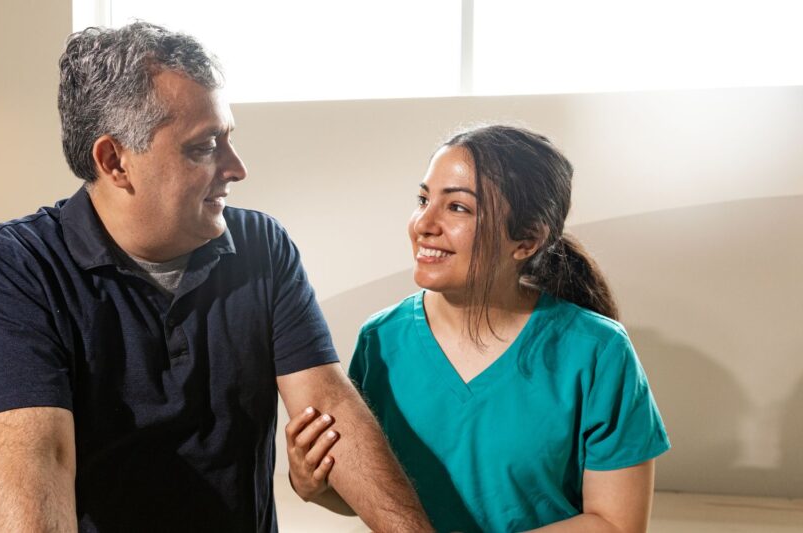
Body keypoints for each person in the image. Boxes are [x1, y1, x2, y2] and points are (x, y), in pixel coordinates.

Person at [0, 22, 432, 533]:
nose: (237, 168)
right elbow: (38, 467)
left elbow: (330, 407)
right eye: (205, 146)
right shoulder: (19, 266)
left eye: (228, 139)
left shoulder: (262, 247)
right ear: (115, 160)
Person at [286, 125, 671, 532]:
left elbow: (615, 524)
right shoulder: (380, 340)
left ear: (526, 241)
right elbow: (374, 494)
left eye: (458, 207)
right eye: (423, 200)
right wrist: (314, 484)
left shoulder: (598, 351)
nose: (424, 223)